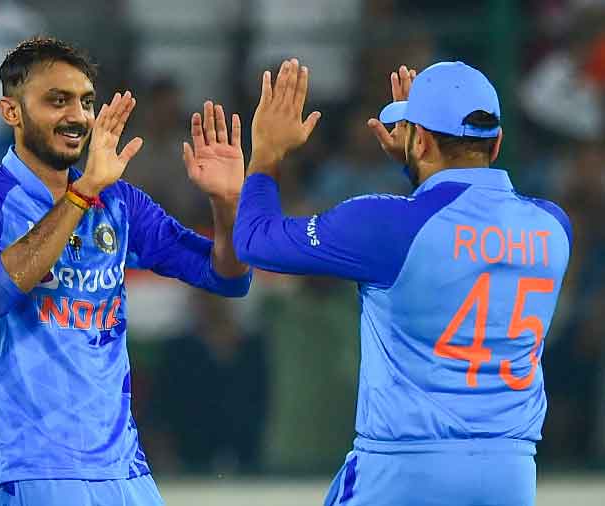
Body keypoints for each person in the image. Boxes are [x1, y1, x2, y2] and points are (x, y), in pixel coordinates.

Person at [233, 59, 571, 505]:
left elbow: (255, 241)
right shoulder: (552, 225)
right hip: (510, 471)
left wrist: (267, 154)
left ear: (423, 140)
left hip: (403, 470)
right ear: (497, 141)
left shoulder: (384, 224)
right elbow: (454, 230)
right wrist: (421, 166)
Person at [0, 37, 252, 506]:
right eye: (56, 101)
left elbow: (228, 277)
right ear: (11, 112)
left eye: (85, 102)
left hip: (126, 474)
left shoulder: (119, 202)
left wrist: (227, 205)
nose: (77, 116)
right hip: (29, 472)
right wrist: (82, 192)